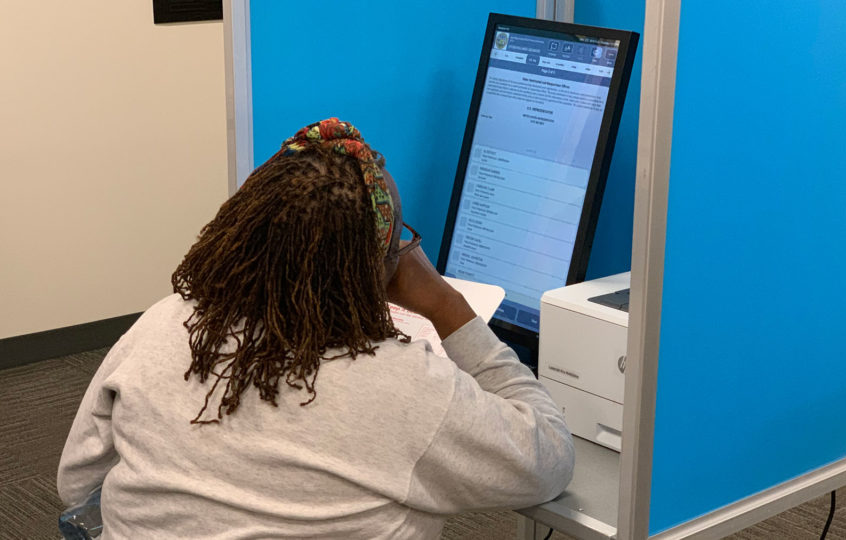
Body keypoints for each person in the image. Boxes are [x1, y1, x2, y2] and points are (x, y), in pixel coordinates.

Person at [57, 118, 574, 539]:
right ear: (380, 268)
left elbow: (76, 483)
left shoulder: (165, 322)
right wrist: (445, 304)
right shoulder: (407, 388)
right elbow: (548, 460)